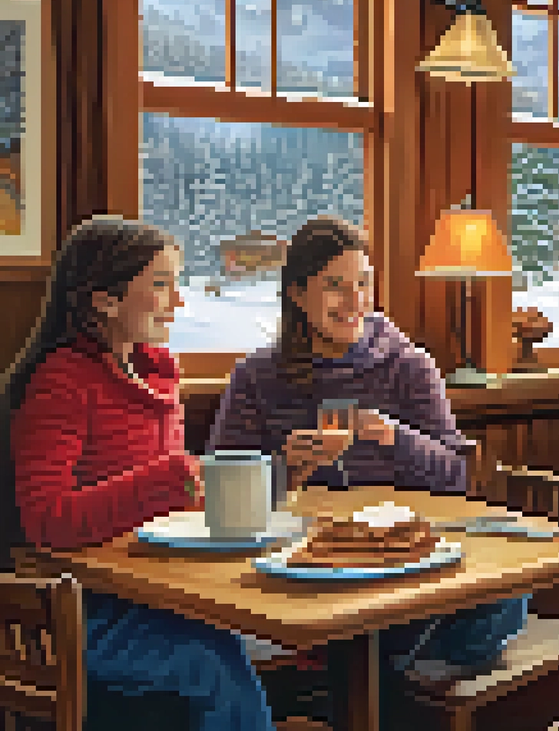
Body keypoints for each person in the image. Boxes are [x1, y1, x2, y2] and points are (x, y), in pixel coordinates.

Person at [206, 217, 525, 711]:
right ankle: (370, 680)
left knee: (507, 596)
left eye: (362, 285)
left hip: (402, 565)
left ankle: (362, 679)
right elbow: (220, 490)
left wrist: (395, 438)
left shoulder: (410, 367)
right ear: (297, 293)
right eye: (335, 286)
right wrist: (284, 467)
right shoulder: (257, 377)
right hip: (306, 567)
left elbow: (458, 477)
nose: (353, 302)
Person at [3, 216, 275, 731]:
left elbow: (159, 504)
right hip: (73, 614)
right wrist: (163, 482)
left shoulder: (153, 375)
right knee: (213, 661)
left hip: (148, 591)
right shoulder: (61, 382)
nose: (178, 302)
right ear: (102, 300)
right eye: (161, 284)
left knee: (249, 637)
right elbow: (45, 519)